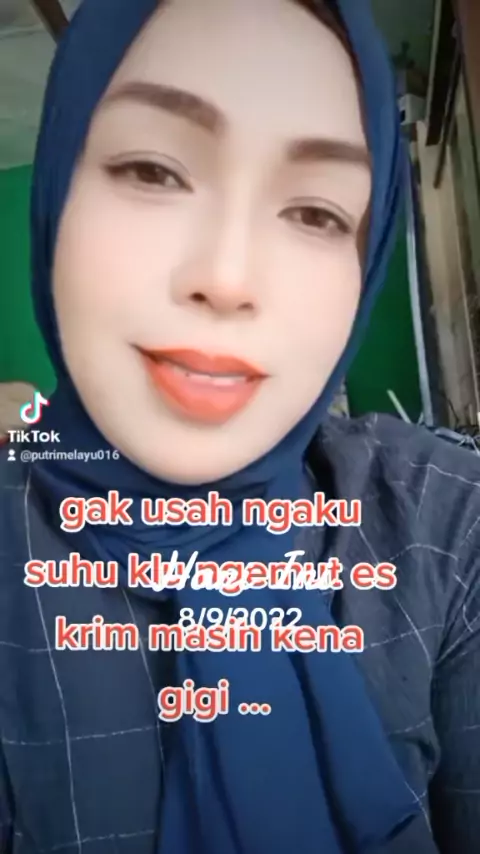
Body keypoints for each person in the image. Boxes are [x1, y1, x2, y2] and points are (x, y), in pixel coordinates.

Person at [0, 0, 479, 851]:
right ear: (55, 196)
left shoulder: (442, 526)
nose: (226, 278)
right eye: (152, 170)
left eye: (317, 214)